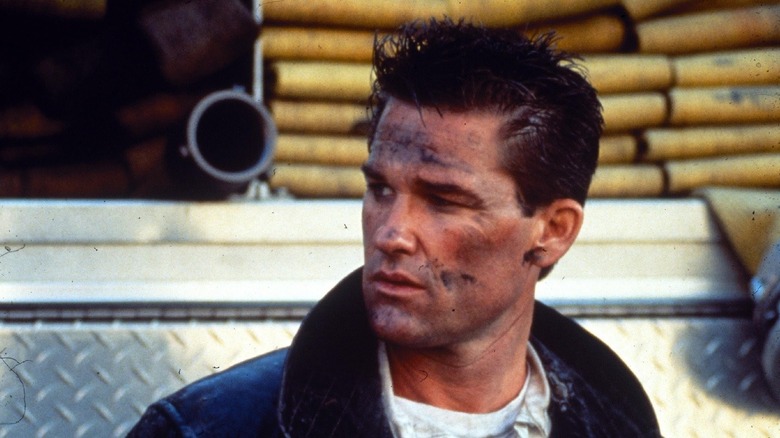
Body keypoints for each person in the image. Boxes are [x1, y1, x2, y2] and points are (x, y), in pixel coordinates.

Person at [128, 18, 660, 437]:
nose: (391, 233)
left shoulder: (617, 421)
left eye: (444, 200)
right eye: (381, 189)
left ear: (554, 230)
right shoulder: (212, 429)